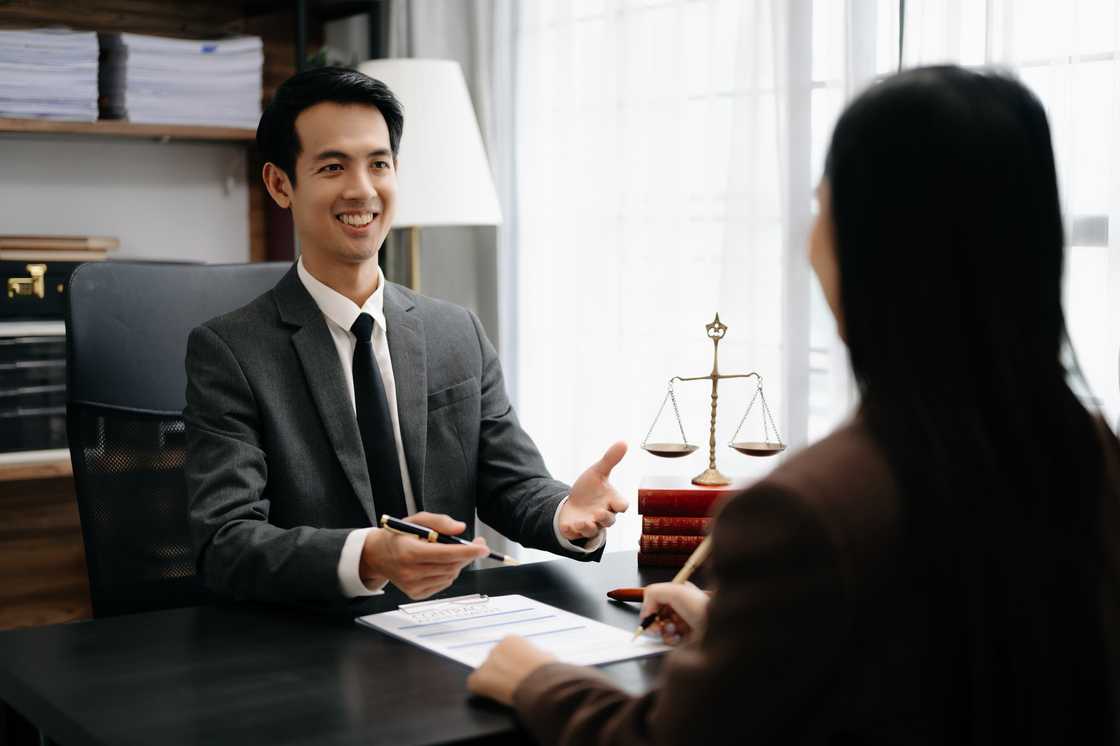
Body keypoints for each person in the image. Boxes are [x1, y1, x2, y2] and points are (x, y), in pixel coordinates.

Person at [467, 65, 1120, 744]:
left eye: (821, 204)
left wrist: (536, 678)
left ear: (871, 242)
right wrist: (743, 627)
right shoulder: (1088, 450)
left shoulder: (803, 513)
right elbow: (930, 652)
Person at [184, 67, 628, 603]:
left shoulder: (454, 330)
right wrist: (368, 556)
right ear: (281, 184)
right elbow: (225, 541)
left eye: (379, 164)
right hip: (316, 636)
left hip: (454, 622)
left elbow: (512, 484)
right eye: (332, 166)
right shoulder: (231, 352)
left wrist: (566, 514)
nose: (362, 189)